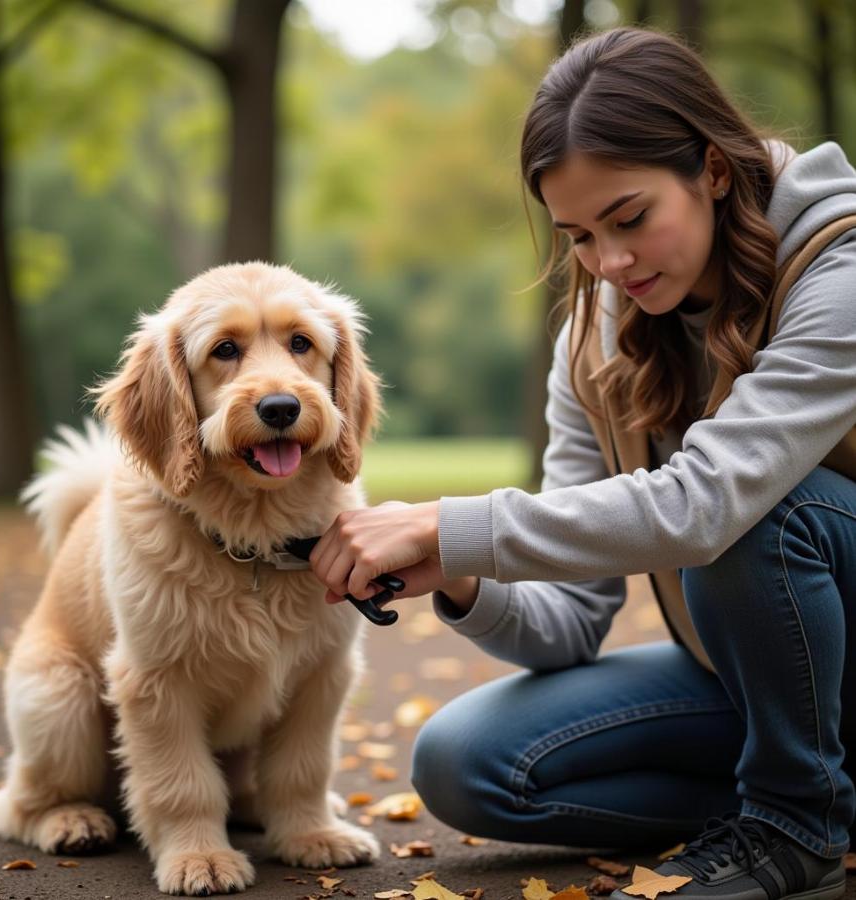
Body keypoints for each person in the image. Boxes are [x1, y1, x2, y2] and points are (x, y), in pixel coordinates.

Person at [308, 26, 856, 900]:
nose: (610, 263)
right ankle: (794, 798)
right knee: (468, 764)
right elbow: (567, 620)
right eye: (580, 236)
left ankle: (797, 825)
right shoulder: (597, 339)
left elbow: (704, 507)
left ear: (713, 170)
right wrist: (457, 572)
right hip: (760, 681)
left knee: (762, 516)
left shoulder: (839, 273)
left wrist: (451, 519)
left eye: (631, 219)